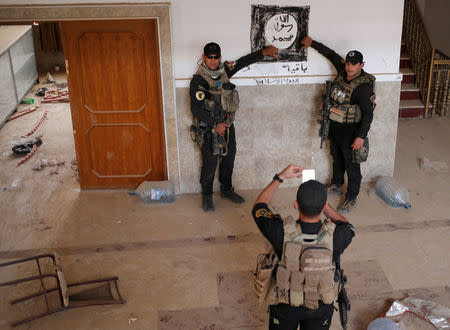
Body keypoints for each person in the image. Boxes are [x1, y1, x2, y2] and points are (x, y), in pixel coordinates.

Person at [252, 164, 355, 329]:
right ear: (323, 207)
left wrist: (281, 177)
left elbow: (259, 206)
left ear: (296, 205)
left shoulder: (279, 232)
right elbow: (347, 225)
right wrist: (325, 207)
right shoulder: (338, 235)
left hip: (286, 306)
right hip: (321, 305)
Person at [190, 42, 279, 212]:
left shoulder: (225, 70)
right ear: (204, 57)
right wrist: (215, 125)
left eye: (216, 57)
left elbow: (244, 61)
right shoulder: (198, 80)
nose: (213, 60)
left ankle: (226, 190)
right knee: (209, 163)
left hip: (228, 126)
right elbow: (195, 108)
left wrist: (264, 52)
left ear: (220, 57)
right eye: (209, 57)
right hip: (209, 128)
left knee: (228, 159)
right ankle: (207, 196)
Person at [301, 36, 376, 213]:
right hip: (336, 126)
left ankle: (352, 197)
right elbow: (330, 53)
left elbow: (368, 115)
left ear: (361, 65)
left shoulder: (364, 87)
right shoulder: (343, 70)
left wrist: (360, 137)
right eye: (348, 63)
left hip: (352, 130)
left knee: (352, 164)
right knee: (336, 156)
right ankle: (336, 184)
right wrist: (312, 43)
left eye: (354, 64)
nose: (349, 67)